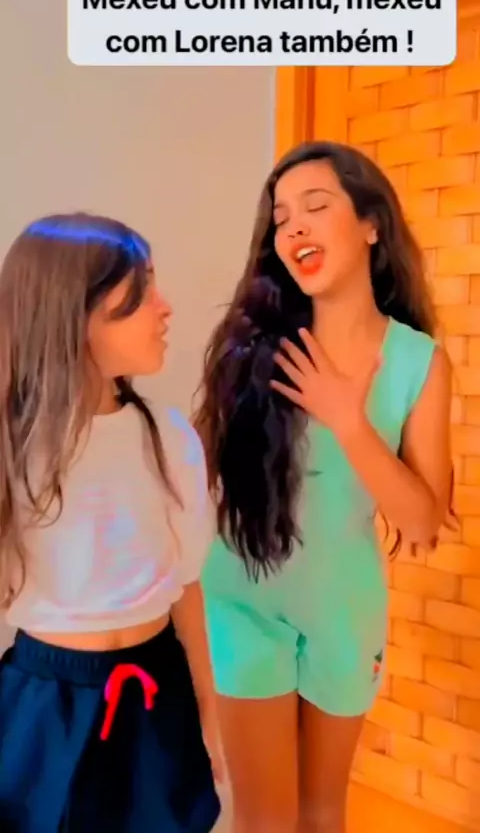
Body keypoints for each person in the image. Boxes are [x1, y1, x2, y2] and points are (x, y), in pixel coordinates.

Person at [193, 141, 452, 833]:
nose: (294, 227)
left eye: (315, 206)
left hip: (344, 606)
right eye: (281, 218)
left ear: (371, 224)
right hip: (242, 598)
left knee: (320, 814)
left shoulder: (418, 361)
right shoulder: (251, 346)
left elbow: (422, 522)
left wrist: (347, 420)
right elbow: (192, 471)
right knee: (267, 820)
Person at [0, 213, 222, 832]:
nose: (165, 307)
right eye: (141, 291)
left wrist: (209, 707)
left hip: (157, 691)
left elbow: (187, 586)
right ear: (75, 315)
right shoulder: (12, 450)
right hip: (46, 703)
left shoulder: (168, 439)